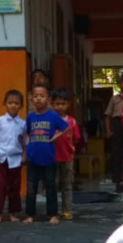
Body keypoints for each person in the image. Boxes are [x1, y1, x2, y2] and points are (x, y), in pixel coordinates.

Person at [24, 84, 69, 225]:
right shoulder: (30, 116)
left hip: (48, 157)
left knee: (51, 186)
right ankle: (30, 214)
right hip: (32, 157)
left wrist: (56, 137)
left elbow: (66, 128)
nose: (38, 99)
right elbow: (27, 132)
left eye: (42, 96)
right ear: (32, 99)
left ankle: (53, 214)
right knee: (31, 187)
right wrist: (27, 146)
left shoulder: (53, 116)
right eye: (35, 96)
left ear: (48, 99)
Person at [0, 89, 26, 223]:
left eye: (16, 103)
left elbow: (24, 142)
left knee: (14, 187)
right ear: (5, 103)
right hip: (1, 157)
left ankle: (13, 213)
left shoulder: (22, 124)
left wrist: (24, 155)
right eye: (10, 103)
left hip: (15, 159)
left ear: (21, 105)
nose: (13, 105)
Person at [52, 88, 81, 220]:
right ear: (52, 104)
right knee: (53, 184)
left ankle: (66, 210)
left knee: (67, 185)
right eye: (57, 104)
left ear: (68, 105)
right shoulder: (50, 120)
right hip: (52, 157)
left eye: (63, 104)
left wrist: (72, 149)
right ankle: (53, 211)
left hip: (67, 157)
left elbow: (76, 138)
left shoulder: (72, 122)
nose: (60, 107)